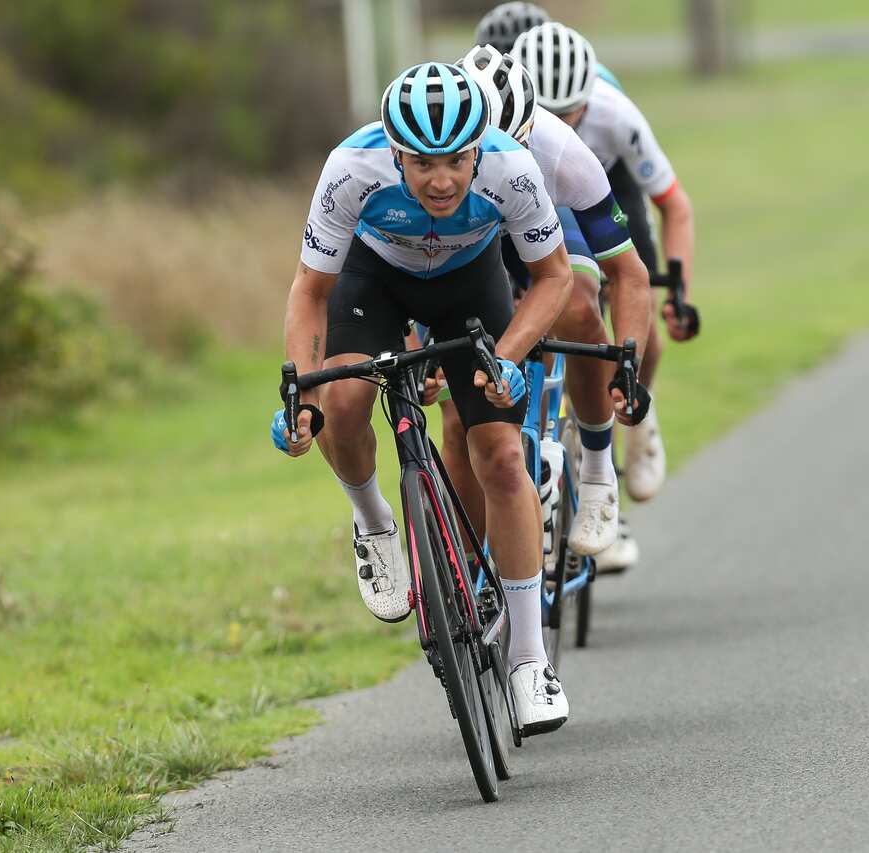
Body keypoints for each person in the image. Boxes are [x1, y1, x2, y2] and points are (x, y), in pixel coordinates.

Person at [271, 62, 599, 734]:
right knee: (342, 402)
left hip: (469, 285)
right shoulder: (351, 167)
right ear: (394, 153)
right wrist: (301, 390)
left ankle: (529, 663)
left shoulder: (512, 169)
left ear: (479, 148)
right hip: (375, 281)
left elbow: (553, 277)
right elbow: (310, 290)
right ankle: (374, 522)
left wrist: (505, 359)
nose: (442, 179)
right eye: (422, 163)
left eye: (456, 160)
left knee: (504, 456)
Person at [433, 44, 649, 572]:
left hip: (543, 224)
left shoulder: (562, 152)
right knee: (456, 410)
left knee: (577, 306)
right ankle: (475, 572)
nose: (504, 162)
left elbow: (630, 274)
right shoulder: (432, 163)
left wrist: (627, 365)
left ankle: (597, 468)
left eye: (518, 145)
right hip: (464, 238)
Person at [513, 21, 699, 512]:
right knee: (554, 310)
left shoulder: (616, 116)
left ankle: (638, 413)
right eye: (547, 115)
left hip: (605, 189)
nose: (560, 127)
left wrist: (677, 293)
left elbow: (674, 205)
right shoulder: (511, 123)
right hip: (535, 196)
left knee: (635, 321)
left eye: (571, 115)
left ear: (588, 102)